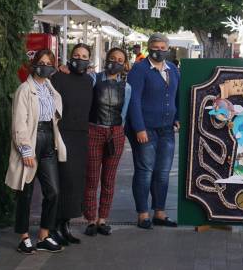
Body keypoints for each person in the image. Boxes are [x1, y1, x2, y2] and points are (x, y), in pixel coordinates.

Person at [5, 49, 66, 254]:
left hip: (49, 139)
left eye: (49, 62)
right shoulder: (24, 89)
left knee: (53, 191)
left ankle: (43, 235)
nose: (45, 65)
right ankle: (23, 237)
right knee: (26, 192)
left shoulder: (49, 86)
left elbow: (54, 114)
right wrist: (25, 150)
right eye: (42, 62)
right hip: (32, 140)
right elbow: (19, 123)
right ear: (34, 64)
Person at [126, 33, 180, 229]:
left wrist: (178, 118)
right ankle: (142, 214)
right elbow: (134, 100)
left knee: (163, 172)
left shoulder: (172, 69)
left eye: (163, 48)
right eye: (155, 47)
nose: (159, 51)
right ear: (149, 48)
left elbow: (177, 96)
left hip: (166, 129)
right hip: (146, 129)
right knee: (145, 171)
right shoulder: (139, 70)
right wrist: (139, 128)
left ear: (168, 49)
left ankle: (160, 212)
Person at [83, 47, 131, 236]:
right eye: (113, 58)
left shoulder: (127, 87)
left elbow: (124, 113)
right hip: (94, 130)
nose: (116, 62)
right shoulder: (94, 79)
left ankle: (103, 219)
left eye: (120, 60)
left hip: (115, 133)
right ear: (106, 59)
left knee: (109, 179)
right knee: (92, 178)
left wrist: (118, 131)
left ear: (124, 63)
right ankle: (91, 219)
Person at [50, 44, 94, 246]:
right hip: (62, 134)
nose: (80, 58)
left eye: (84, 56)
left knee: (75, 183)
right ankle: (53, 226)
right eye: (76, 55)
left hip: (81, 137)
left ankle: (65, 224)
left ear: (89, 60)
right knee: (61, 180)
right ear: (70, 57)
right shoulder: (59, 77)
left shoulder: (88, 81)